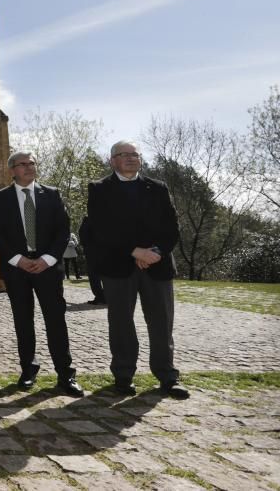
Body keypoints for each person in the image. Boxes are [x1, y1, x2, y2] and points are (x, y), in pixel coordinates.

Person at [86, 140, 189, 399]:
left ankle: (167, 376)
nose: (131, 158)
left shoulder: (158, 188)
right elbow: (100, 229)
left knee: (162, 323)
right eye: (124, 154)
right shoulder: (99, 189)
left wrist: (154, 252)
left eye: (135, 154)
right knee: (120, 322)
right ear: (112, 161)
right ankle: (123, 376)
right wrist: (134, 251)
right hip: (118, 266)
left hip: (157, 265)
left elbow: (172, 227)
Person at [0, 150, 84, 397]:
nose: (29, 167)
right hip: (17, 269)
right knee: (23, 320)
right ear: (12, 170)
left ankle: (65, 375)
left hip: (48, 268)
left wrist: (48, 259)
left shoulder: (52, 194)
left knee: (56, 320)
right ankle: (28, 370)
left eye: (32, 163)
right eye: (23, 164)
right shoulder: (0, 198)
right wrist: (18, 260)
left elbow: (63, 231)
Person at [78, 216, 106, 305]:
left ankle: (100, 297)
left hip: (92, 252)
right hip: (105, 251)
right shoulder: (106, 219)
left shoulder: (87, 221)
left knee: (94, 276)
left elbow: (83, 236)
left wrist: (86, 246)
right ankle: (106, 296)